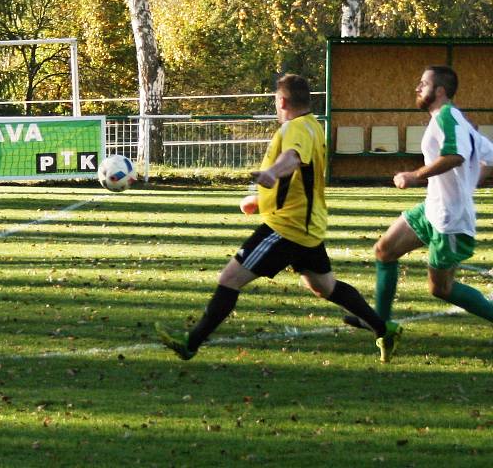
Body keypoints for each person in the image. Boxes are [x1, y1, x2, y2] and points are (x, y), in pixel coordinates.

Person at [156, 73, 402, 362]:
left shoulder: (295, 128)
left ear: (282, 100)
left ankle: (191, 342)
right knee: (325, 287)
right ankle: (384, 329)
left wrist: (271, 173)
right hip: (307, 225)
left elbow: (292, 159)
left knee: (230, 278)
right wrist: (261, 201)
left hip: (287, 227)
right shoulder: (313, 126)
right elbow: (299, 182)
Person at [344, 65, 493, 332]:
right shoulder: (454, 119)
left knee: (441, 289)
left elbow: (454, 156)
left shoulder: (448, 117)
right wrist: (470, 182)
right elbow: (489, 157)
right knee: (384, 251)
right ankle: (381, 323)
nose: (417, 88)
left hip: (451, 220)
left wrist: (415, 175)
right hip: (433, 209)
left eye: (423, 83)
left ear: (440, 90)